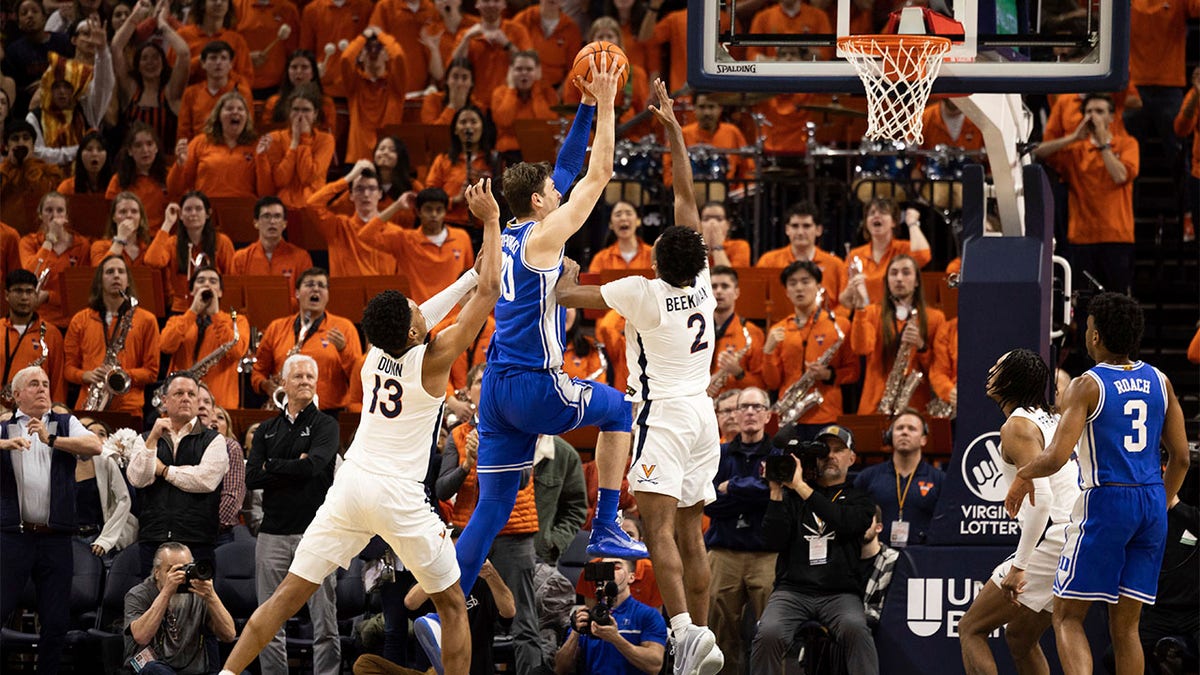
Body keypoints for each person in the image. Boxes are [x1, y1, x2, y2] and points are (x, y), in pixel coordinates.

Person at [215, 176, 503, 675]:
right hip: (398, 495)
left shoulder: (374, 355)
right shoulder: (431, 363)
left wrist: (465, 280)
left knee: (286, 597)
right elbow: (493, 292)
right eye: (417, 313)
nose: (422, 309)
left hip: (350, 486)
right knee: (454, 605)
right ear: (415, 331)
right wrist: (492, 223)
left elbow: (418, 316)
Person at [450, 55, 647, 621]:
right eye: (551, 193)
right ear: (538, 203)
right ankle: (608, 521)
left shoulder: (513, 229)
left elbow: (563, 168)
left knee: (491, 508)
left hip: (496, 389)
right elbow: (597, 175)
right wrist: (608, 101)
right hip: (537, 386)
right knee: (618, 411)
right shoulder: (544, 239)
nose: (559, 194)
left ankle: (447, 614)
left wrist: (583, 108)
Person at [555, 77, 725, 674]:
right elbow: (687, 196)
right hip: (705, 415)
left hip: (664, 416)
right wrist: (676, 133)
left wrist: (559, 267)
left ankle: (682, 636)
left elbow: (570, 294)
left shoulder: (641, 291)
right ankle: (702, 636)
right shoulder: (703, 282)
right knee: (692, 532)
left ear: (656, 261)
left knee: (657, 532)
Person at [1005, 293, 1191, 675]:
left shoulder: (1087, 385)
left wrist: (1022, 474)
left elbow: (1056, 456)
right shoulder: (1161, 381)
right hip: (1152, 504)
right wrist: (1160, 500)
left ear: (1096, 337)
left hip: (1108, 501)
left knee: (1068, 617)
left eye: (1089, 328)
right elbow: (1182, 457)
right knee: (1127, 628)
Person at [958, 348, 1081, 675]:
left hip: (1054, 536)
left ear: (1011, 379)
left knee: (971, 628)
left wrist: (1020, 566)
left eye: (998, 366)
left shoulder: (1017, 426)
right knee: (1020, 638)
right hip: (1078, 536)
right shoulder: (1056, 417)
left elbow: (1041, 500)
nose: (990, 370)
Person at [435, 363, 546, 673]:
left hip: (514, 535)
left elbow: (522, 479)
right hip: (468, 533)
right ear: (468, 391)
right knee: (459, 613)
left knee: (524, 622)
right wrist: (467, 464)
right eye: (480, 381)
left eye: (493, 380)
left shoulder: (518, 427)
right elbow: (443, 489)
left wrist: (489, 454)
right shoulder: (459, 434)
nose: (486, 386)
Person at [749, 424, 878, 675]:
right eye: (824, 451)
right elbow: (773, 541)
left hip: (840, 594)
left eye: (838, 450)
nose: (830, 456)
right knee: (768, 633)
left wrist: (800, 487)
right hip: (792, 590)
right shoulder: (793, 495)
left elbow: (844, 522)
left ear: (851, 458)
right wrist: (776, 492)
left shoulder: (860, 499)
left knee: (856, 629)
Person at [0, 365, 102, 675]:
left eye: (45, 383)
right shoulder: (4, 426)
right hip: (12, 536)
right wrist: (4, 444)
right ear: (17, 395)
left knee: (56, 620)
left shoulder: (64, 422)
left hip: (56, 537)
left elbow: (95, 446)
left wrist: (51, 439)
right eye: (34, 384)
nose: (43, 389)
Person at [244, 353, 341, 675]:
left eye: (310, 378)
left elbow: (314, 466)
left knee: (324, 622)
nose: (304, 382)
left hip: (316, 535)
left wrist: (273, 465)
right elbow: (252, 477)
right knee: (269, 621)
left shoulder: (326, 425)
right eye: (298, 377)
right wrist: (292, 466)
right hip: (271, 534)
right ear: (283, 383)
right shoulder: (266, 430)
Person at [1033, 94, 1140, 294]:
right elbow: (1038, 152)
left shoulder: (1127, 144)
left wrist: (1103, 145)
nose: (1093, 117)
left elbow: (1120, 175)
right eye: (1089, 111)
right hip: (1082, 238)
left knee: (1117, 304)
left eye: (1099, 111)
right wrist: (1074, 137)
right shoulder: (1075, 149)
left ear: (1111, 117)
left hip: (1117, 236)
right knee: (1085, 306)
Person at [704, 386, 778, 675]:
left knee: (772, 634)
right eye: (743, 407)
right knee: (720, 634)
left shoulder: (778, 455)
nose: (749, 412)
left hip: (767, 555)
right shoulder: (718, 453)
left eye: (756, 407)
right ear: (734, 414)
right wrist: (759, 492)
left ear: (767, 415)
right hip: (724, 553)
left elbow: (778, 499)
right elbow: (709, 502)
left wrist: (732, 487)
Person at [126, 372, 228, 575]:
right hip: (153, 537)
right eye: (179, 393)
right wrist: (153, 438)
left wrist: (163, 470)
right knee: (153, 602)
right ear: (164, 400)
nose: (186, 398)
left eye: (191, 394)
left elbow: (204, 480)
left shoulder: (214, 440)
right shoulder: (145, 438)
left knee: (197, 604)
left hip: (197, 539)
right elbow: (138, 478)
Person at [763, 260, 858, 437]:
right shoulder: (778, 330)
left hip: (827, 415)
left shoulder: (840, 325)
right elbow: (772, 382)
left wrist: (829, 375)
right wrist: (767, 352)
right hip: (788, 417)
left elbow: (854, 371)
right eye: (792, 283)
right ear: (787, 292)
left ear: (819, 286)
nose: (799, 288)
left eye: (806, 281)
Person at [251, 267, 364, 411]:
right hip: (284, 411)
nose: (315, 289)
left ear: (328, 295)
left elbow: (358, 379)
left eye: (322, 286)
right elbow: (258, 371)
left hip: (328, 414)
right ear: (297, 293)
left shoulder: (344, 327)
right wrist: (264, 385)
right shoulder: (276, 327)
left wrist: (343, 350)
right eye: (309, 285)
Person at [64, 255, 162, 414]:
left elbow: (151, 372)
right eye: (109, 271)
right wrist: (86, 375)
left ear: (128, 280)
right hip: (89, 405)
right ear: (100, 281)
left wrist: (120, 375)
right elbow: (68, 369)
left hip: (129, 408)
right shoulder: (80, 320)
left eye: (121, 271)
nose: (116, 275)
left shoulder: (147, 320)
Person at [849, 254, 946, 414]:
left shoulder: (935, 318)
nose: (899, 278)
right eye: (893, 273)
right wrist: (860, 309)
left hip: (914, 411)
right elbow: (861, 348)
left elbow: (939, 370)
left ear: (916, 282)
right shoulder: (872, 312)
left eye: (906, 272)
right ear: (887, 281)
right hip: (875, 407)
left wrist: (922, 347)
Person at [123, 541, 238, 674]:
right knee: (156, 670)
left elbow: (229, 635)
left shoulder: (199, 593)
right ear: (157, 572)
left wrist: (211, 597)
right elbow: (141, 636)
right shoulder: (138, 595)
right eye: (173, 570)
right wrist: (166, 593)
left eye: (186, 568)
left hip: (194, 670)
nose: (181, 576)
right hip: (155, 668)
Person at [359, 187, 476, 304]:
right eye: (428, 209)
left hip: (455, 317)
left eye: (439, 209)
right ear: (418, 212)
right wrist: (397, 206)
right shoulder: (404, 240)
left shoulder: (462, 237)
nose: (434, 214)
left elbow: (469, 279)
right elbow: (365, 235)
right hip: (418, 316)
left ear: (445, 212)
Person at [553, 557, 668, 675]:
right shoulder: (589, 616)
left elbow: (654, 665)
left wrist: (616, 639)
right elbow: (560, 669)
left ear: (631, 577)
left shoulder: (648, 615)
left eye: (616, 567)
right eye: (604, 568)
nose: (609, 572)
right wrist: (575, 633)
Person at [159, 266, 251, 409]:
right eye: (201, 281)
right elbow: (165, 345)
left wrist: (216, 315)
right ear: (192, 290)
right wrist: (192, 312)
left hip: (219, 407)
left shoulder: (237, 321)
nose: (207, 284)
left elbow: (237, 351)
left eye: (213, 281)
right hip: (182, 406)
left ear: (220, 292)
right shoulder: (177, 321)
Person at [853, 410, 944, 548]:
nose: (904, 432)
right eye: (899, 428)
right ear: (891, 436)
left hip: (923, 559)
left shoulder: (939, 480)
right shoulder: (868, 477)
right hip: (878, 558)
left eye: (912, 429)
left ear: (923, 439)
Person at [110, 0, 188, 151]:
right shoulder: (131, 89)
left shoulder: (171, 92)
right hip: (132, 167)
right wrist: (134, 16)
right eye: (144, 58)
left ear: (163, 63)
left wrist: (162, 23)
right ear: (137, 65)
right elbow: (116, 46)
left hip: (166, 167)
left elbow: (184, 53)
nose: (150, 62)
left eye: (155, 57)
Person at [304, 161, 401, 277]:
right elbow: (312, 204)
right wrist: (348, 178)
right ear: (351, 195)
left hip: (383, 293)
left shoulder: (394, 233)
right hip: (345, 293)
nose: (366, 194)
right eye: (359, 189)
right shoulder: (338, 227)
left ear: (380, 194)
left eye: (371, 188)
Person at [144, 192, 236, 313]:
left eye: (198, 209)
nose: (193, 213)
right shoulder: (173, 243)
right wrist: (167, 223)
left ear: (208, 214)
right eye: (188, 209)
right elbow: (152, 261)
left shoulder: (222, 242)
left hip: (214, 307)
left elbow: (231, 277)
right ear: (181, 215)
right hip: (181, 309)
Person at [839, 197, 932, 308]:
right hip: (867, 316)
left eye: (883, 212)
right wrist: (851, 289)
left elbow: (924, 256)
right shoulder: (855, 255)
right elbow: (844, 300)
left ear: (893, 222)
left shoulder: (903, 249)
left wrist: (912, 224)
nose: (876, 216)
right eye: (871, 213)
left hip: (896, 314)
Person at [254, 83, 335, 209]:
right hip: (282, 208)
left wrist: (304, 138)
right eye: (296, 109)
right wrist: (294, 144)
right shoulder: (276, 138)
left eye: (306, 110)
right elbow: (281, 180)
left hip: (312, 208)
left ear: (315, 114)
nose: (300, 115)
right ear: (289, 112)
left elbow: (306, 177)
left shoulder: (326, 140)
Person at [18, 192, 91, 331]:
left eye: (60, 210)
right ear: (40, 214)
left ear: (67, 216)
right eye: (49, 210)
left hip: (73, 320)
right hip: (39, 320)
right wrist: (48, 242)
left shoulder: (81, 245)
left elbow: (80, 291)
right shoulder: (28, 242)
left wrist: (49, 296)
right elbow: (30, 276)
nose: (54, 215)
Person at [757, 202, 848, 312]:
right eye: (795, 226)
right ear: (787, 230)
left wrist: (829, 324)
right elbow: (756, 303)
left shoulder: (835, 265)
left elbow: (845, 305)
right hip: (780, 327)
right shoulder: (769, 261)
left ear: (818, 230)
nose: (800, 232)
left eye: (806, 226)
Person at [170, 90, 261, 199]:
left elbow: (265, 190)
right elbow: (173, 189)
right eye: (229, 108)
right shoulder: (200, 142)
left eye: (240, 109)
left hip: (244, 209)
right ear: (218, 115)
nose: (235, 112)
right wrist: (179, 165)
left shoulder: (256, 146)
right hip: (206, 209)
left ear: (247, 117)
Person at [423, 105, 502, 229]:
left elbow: (502, 195)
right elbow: (429, 194)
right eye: (463, 122)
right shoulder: (443, 159)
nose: (468, 127)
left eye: (473, 122)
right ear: (455, 129)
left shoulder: (494, 159)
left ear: (482, 127)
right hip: (450, 224)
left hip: (484, 226)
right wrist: (454, 200)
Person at [340, 27, 408, 163]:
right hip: (358, 156)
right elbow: (346, 59)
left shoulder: (395, 85)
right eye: (368, 48)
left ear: (387, 54)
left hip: (389, 159)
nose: (373, 53)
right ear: (360, 55)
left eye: (379, 48)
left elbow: (399, 56)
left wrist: (381, 35)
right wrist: (363, 37)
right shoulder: (355, 85)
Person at [449, 0, 532, 110]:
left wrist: (507, 45)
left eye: (496, 1)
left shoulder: (518, 31)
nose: (491, 4)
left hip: (508, 102)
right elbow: (453, 68)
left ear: (504, 4)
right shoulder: (466, 34)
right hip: (474, 105)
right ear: (477, 4)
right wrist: (466, 39)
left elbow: (531, 66)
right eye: (486, 1)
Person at [2, 270, 67, 404]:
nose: (24, 297)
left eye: (29, 291)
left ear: (36, 295)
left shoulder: (52, 333)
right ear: (6, 295)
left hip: (36, 412)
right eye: (18, 291)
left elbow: (58, 381)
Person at [176, 41, 253, 144]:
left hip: (233, 150)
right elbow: (183, 132)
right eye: (213, 58)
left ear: (230, 64)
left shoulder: (242, 92)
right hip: (200, 150)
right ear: (203, 63)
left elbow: (248, 129)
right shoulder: (191, 93)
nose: (218, 62)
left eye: (223, 58)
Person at [491, 50, 560, 162]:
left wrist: (536, 90)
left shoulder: (548, 93)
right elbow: (504, 121)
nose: (524, 73)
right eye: (518, 69)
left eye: (529, 69)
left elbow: (547, 124)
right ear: (510, 71)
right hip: (509, 154)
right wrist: (512, 90)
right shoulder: (500, 93)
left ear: (537, 71)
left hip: (539, 153)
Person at [706, 266, 764, 397]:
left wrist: (738, 372)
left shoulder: (752, 332)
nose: (718, 291)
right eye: (713, 286)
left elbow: (762, 385)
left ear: (736, 292)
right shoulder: (695, 330)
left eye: (725, 286)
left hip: (736, 409)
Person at [228, 195, 314, 283]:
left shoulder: (301, 258)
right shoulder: (241, 259)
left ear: (285, 223)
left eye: (277, 216)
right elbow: (236, 295)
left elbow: (307, 295)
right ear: (256, 223)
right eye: (266, 216)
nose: (272, 221)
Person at [534, 434, 589, 564]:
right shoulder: (499, 443)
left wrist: (554, 544)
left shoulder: (566, 454)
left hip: (541, 558)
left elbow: (575, 510)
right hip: (492, 551)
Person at [106, 123, 171, 230]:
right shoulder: (118, 180)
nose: (145, 150)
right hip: (130, 237)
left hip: (162, 237)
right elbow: (110, 215)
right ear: (130, 151)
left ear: (156, 148)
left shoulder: (169, 176)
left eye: (149, 144)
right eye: (138, 145)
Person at [262, 50, 337, 132]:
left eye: (304, 67)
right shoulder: (273, 102)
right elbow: (266, 133)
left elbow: (329, 135)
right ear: (287, 71)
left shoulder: (326, 103)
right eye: (294, 67)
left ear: (313, 73)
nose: (298, 71)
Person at [512, 0, 581, 87]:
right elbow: (509, 57)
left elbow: (573, 69)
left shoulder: (571, 29)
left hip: (555, 88)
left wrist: (560, 95)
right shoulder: (524, 19)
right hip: (523, 86)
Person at [860, 506, 898, 632]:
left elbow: (888, 609)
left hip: (876, 628)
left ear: (879, 527)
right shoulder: (842, 559)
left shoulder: (892, 560)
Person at [587, 200, 653, 273]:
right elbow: (592, 283)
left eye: (629, 213)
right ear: (610, 224)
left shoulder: (652, 255)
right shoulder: (601, 258)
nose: (623, 218)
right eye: (618, 215)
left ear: (638, 221)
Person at [92, 191, 154, 266]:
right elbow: (100, 273)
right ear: (114, 217)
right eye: (123, 211)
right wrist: (121, 238)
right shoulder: (100, 246)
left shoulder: (148, 249)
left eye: (134, 211)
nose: (129, 215)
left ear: (140, 218)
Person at [699, 201, 750, 268]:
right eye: (706, 219)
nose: (712, 223)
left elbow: (732, 277)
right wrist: (704, 248)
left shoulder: (739, 246)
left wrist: (717, 247)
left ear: (728, 224)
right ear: (699, 224)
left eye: (719, 219)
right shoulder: (693, 246)